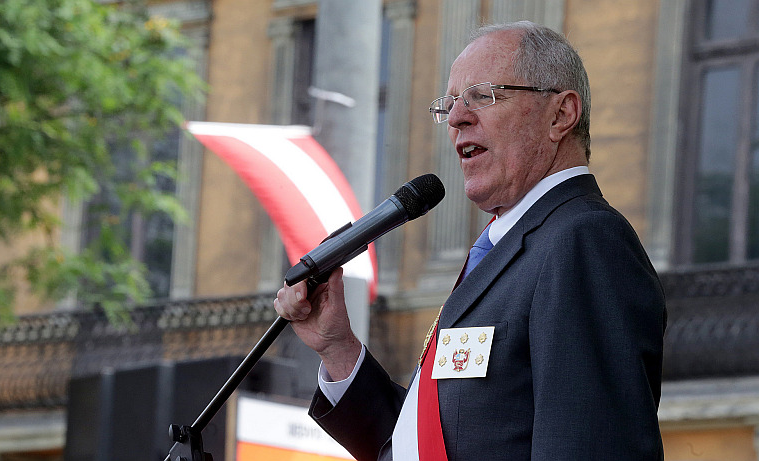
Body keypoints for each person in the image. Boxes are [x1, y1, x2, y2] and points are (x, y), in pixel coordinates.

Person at [274, 21, 665, 461]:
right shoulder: (511, 248)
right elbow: (421, 448)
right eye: (450, 105)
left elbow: (590, 447)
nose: (457, 118)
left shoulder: (584, 240)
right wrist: (337, 348)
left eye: (483, 95)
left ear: (561, 115)